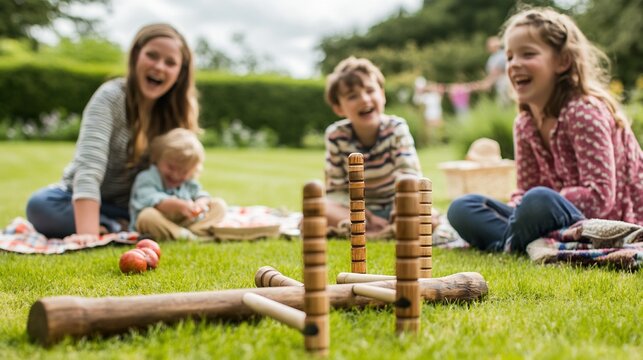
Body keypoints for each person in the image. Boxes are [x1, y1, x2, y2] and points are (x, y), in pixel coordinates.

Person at [447, 7, 643, 253]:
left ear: (563, 61)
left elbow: (600, 198)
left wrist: (546, 199)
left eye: (527, 54)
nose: (515, 64)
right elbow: (525, 188)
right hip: (544, 214)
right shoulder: (525, 123)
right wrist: (522, 204)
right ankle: (515, 243)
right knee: (462, 207)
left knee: (539, 200)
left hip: (603, 219)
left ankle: (509, 243)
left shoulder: (583, 113)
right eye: (509, 57)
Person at [25, 23, 200, 241]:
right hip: (80, 199)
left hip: (138, 203)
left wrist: (192, 203)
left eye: (170, 62)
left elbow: (183, 172)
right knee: (40, 205)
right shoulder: (110, 98)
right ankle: (114, 226)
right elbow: (89, 167)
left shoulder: (176, 112)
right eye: (152, 56)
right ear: (136, 55)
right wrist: (87, 235)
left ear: (180, 72)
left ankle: (121, 224)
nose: (159, 67)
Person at [324, 56, 422, 237]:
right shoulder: (336, 136)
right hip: (356, 211)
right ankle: (375, 230)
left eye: (370, 90)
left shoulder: (396, 128)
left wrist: (399, 211)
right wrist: (364, 216)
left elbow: (409, 176)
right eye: (352, 96)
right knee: (320, 209)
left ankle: (377, 230)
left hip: (397, 207)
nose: (364, 99)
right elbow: (335, 191)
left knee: (424, 211)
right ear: (339, 108)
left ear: (382, 95)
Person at [129, 128, 226, 240]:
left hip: (186, 222)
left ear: (193, 170)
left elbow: (199, 193)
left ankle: (193, 232)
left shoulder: (188, 182)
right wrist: (179, 205)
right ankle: (184, 235)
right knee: (146, 216)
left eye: (184, 171)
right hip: (159, 221)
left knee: (219, 205)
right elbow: (149, 198)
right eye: (171, 167)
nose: (176, 175)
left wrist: (200, 203)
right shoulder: (147, 177)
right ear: (158, 158)